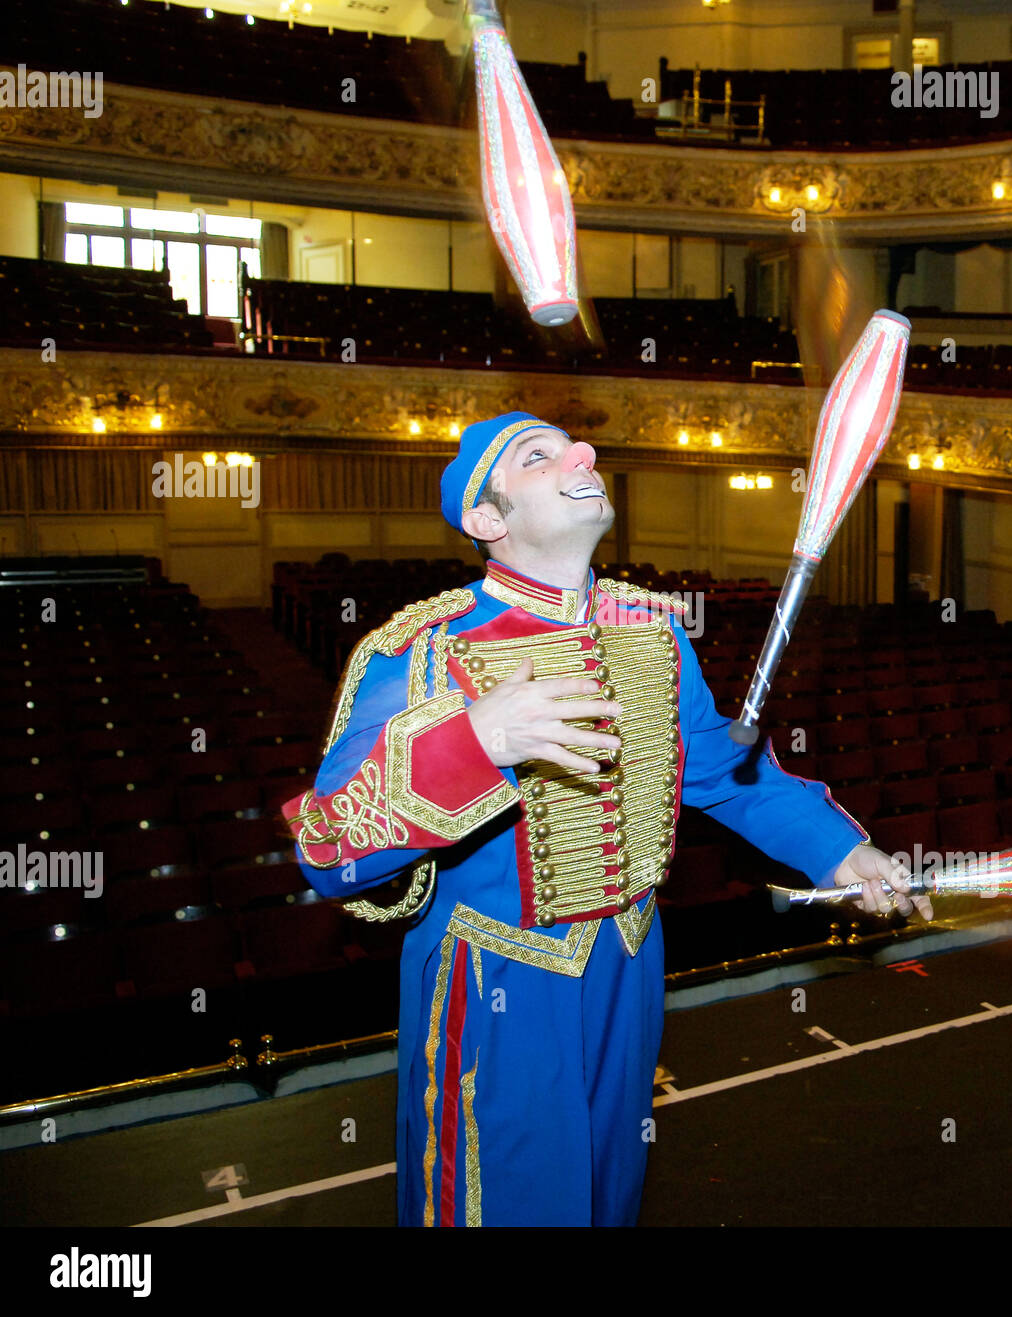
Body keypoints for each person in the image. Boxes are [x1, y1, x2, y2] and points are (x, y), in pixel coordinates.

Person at [281, 410, 931, 1227]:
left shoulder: (653, 631)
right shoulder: (423, 650)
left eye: (576, 444)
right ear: (487, 520)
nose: (581, 453)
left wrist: (841, 851)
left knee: (605, 1196)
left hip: (629, 965)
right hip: (494, 980)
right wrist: (477, 740)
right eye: (537, 455)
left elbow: (727, 775)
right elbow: (328, 847)